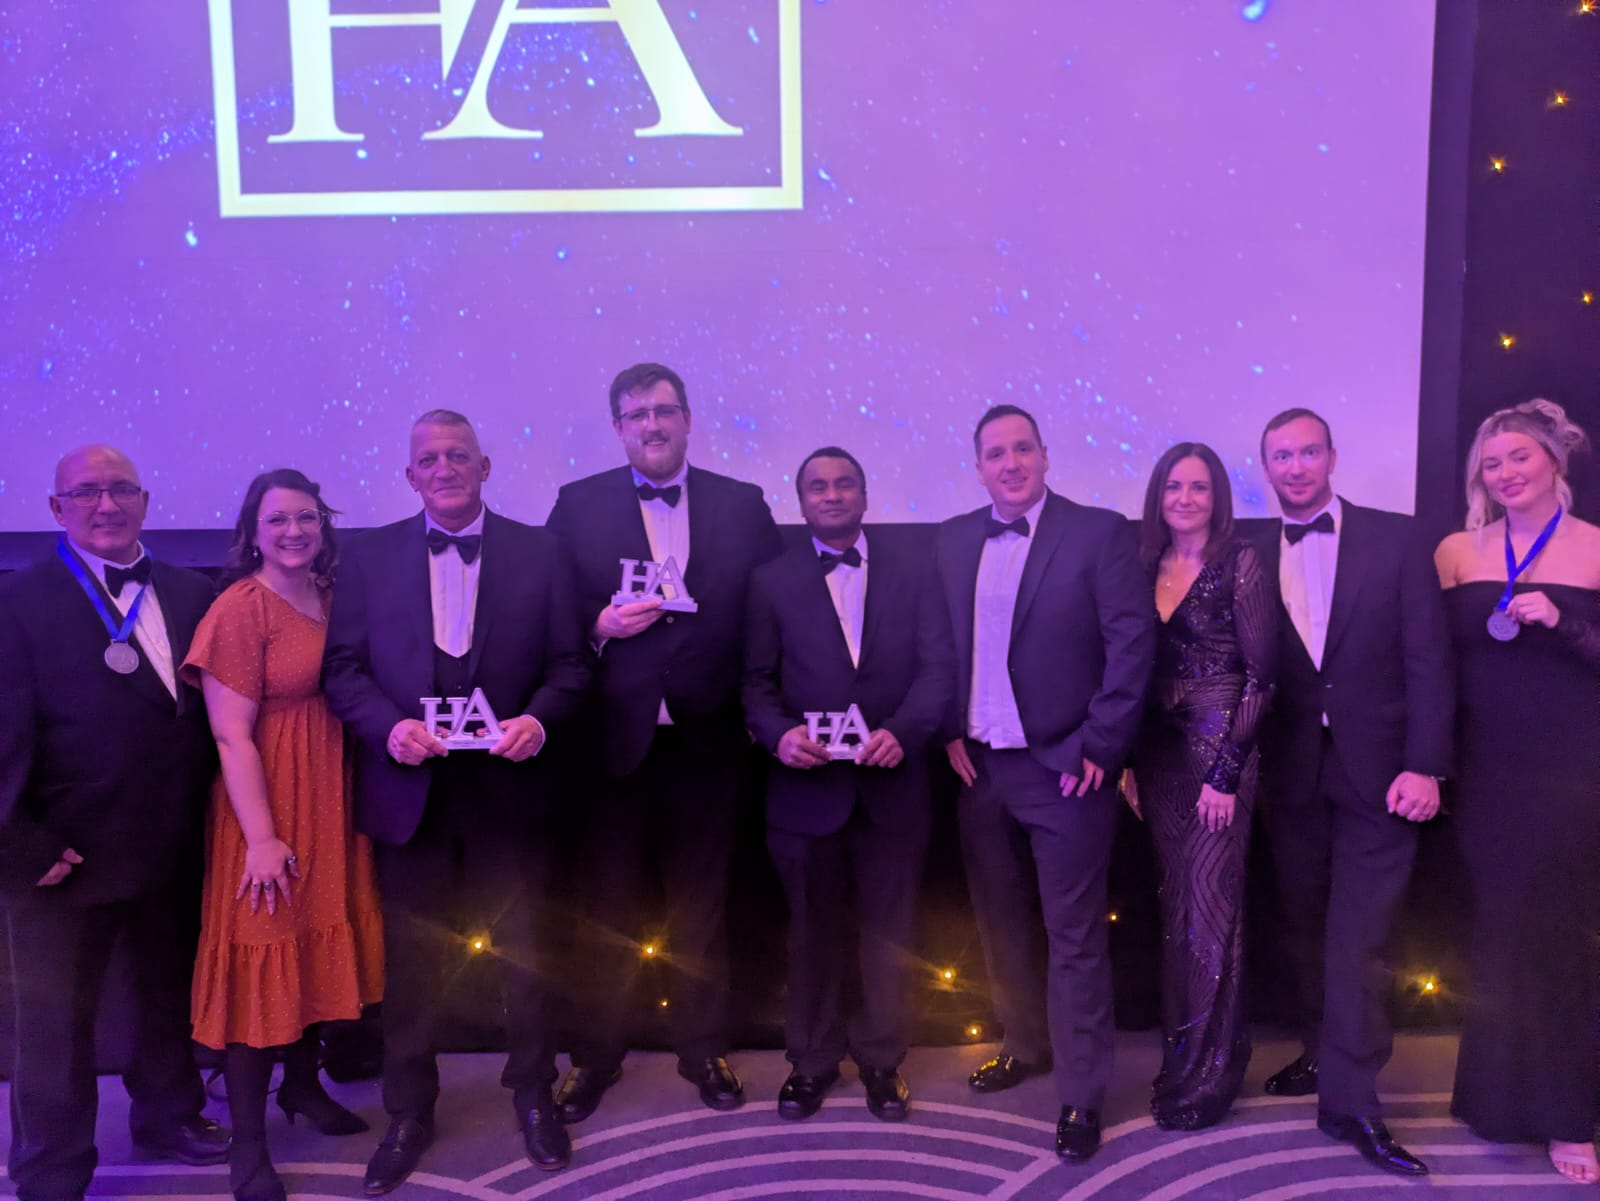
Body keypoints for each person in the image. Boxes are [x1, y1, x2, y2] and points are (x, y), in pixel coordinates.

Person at [322, 411, 592, 1192]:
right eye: (428, 459)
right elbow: (343, 670)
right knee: (414, 962)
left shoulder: (544, 554)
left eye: (458, 456)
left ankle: (534, 1091)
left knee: (529, 953)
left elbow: (573, 666)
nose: (443, 468)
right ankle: (409, 1109)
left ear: (485, 466)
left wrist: (538, 721)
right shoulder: (367, 558)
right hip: (412, 791)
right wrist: (390, 727)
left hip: (513, 789)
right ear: (410, 475)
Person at [544, 363, 782, 1122]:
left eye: (665, 410)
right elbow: (547, 614)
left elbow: (775, 614)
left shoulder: (743, 505)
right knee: (606, 907)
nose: (652, 424)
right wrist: (597, 625)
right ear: (618, 427)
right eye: (636, 413)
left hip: (711, 740)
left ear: (687, 419)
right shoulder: (576, 506)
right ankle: (596, 1056)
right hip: (613, 743)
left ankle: (702, 1046)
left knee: (702, 907)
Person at [0, 445, 230, 1201]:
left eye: (121, 489)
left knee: (165, 992)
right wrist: (20, 840)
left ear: (146, 498)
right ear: (55, 508)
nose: (107, 504)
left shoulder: (195, 592)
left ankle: (168, 1113)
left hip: (169, 838)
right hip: (62, 853)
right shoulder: (17, 600)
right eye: (87, 491)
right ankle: (51, 1168)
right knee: (54, 1024)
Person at [935, 404, 1155, 1161]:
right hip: (981, 767)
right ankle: (1024, 1043)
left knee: (1075, 938)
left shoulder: (1097, 532)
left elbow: (1131, 644)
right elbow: (942, 644)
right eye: (994, 452)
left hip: (1066, 766)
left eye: (1022, 447)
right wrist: (948, 729)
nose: (1010, 462)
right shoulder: (953, 538)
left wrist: (1103, 742)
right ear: (978, 466)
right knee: (999, 923)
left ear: (1045, 455)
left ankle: (1082, 1093)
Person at [1252, 408, 1452, 1177]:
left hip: (1384, 772)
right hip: (1290, 772)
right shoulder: (1246, 552)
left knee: (1361, 939)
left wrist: (1427, 763)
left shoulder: (1397, 538)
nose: (1296, 466)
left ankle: (1354, 1098)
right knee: (1304, 928)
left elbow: (1431, 659)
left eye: (1308, 451)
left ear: (1332, 454)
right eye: (1281, 456)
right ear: (1266, 466)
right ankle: (1321, 1051)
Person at [181, 469, 384, 1201]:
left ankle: (303, 1086)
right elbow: (232, 737)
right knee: (259, 959)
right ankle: (247, 1147)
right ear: (252, 532)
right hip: (265, 804)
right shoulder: (239, 608)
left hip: (330, 795)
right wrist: (261, 838)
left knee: (312, 939)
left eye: (306, 517)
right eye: (277, 521)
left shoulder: (330, 596)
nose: (294, 531)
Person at [743, 447, 954, 1122]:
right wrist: (779, 735)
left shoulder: (916, 571)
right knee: (810, 935)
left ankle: (883, 1062)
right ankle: (809, 1062)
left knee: (889, 936)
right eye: (817, 487)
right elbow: (756, 683)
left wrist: (907, 729)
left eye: (843, 484)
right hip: (805, 795)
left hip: (893, 788)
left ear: (863, 494)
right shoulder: (770, 581)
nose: (831, 495)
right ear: (800, 501)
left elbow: (937, 669)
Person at [1433, 399, 1600, 1185]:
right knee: (1500, 930)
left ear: (1555, 463)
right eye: (1491, 463)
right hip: (1486, 771)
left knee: (1559, 934)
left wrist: (1564, 622)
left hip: (1570, 770)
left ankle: (1570, 1114)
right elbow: (1427, 663)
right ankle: (1495, 1099)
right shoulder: (1457, 550)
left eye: (1519, 459)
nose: (1504, 474)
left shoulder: (1596, 549)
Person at [1124, 443, 1275, 1131]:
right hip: (1157, 755)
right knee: (1176, 909)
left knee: (1214, 911)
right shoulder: (1142, 564)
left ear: (1218, 497)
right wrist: (1125, 759)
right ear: (1158, 494)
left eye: (1200, 487)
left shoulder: (1240, 561)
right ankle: (1182, 1056)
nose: (1186, 497)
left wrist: (1226, 771)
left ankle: (1213, 1071)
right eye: (1174, 486)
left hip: (1221, 751)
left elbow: (1261, 677)